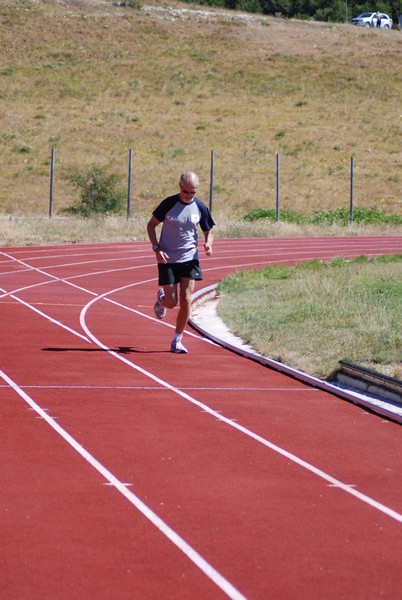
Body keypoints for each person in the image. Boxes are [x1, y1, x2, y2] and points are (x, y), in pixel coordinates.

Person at [146, 171, 215, 354]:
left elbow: (208, 230)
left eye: (193, 192)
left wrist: (208, 244)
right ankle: (162, 299)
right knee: (171, 302)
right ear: (179, 186)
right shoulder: (169, 204)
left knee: (186, 299)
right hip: (167, 258)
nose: (189, 196)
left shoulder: (200, 207)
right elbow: (151, 225)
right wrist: (156, 248)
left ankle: (177, 339)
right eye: (186, 191)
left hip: (189, 258)